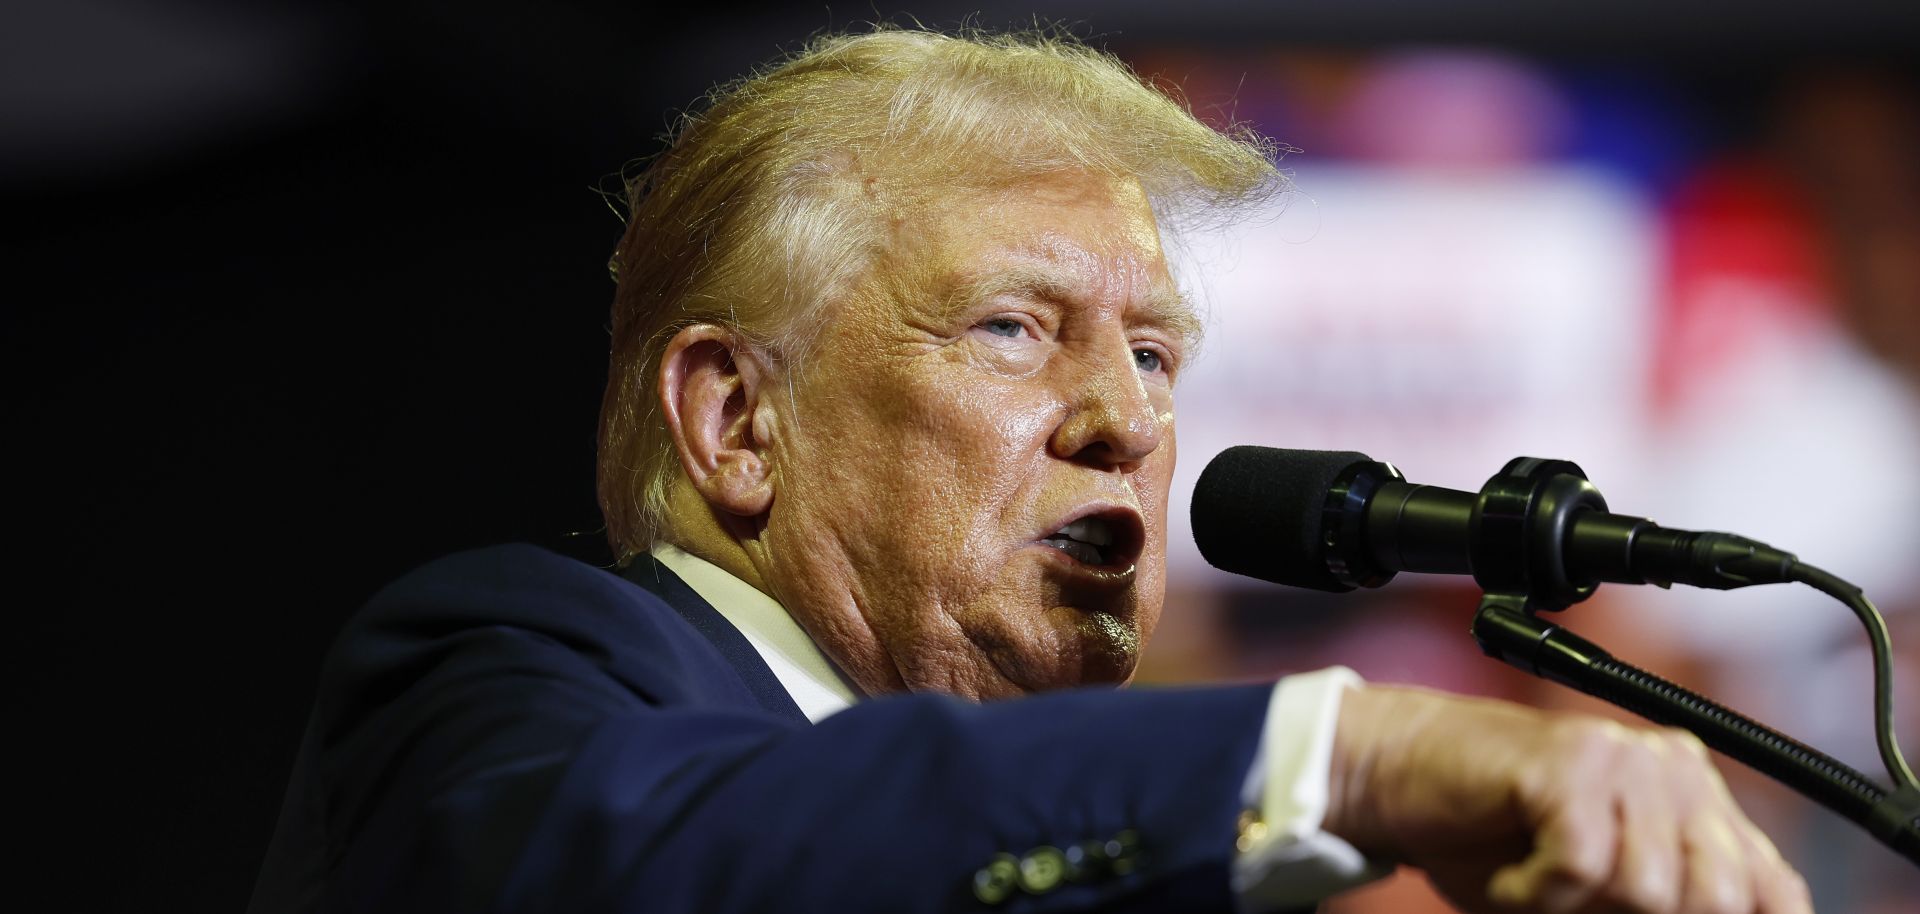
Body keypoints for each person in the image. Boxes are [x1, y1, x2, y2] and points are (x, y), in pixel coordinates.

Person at [248, 28, 1811, 914]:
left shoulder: (1086, 861)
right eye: (1013, 329)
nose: (1124, 419)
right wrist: (1354, 753)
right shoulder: (503, 671)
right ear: (735, 420)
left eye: (1153, 356)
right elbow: (665, 862)